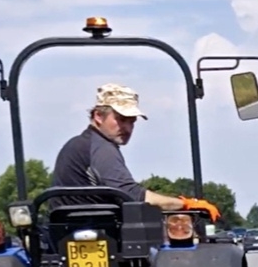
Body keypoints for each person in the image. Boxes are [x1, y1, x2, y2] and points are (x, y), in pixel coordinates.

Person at [52, 84, 218, 220]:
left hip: (67, 233)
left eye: (132, 122)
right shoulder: (101, 149)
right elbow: (133, 195)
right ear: (98, 116)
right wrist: (185, 204)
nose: (127, 128)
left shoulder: (77, 145)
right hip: (99, 234)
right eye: (121, 119)